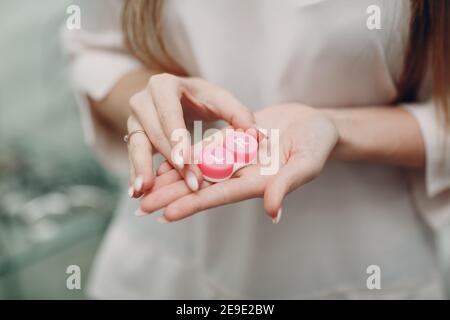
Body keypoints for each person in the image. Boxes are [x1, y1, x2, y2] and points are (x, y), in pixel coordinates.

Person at [63, 0, 450, 299]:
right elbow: (96, 53)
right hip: (166, 259)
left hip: (362, 264)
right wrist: (156, 101)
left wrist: (336, 129)